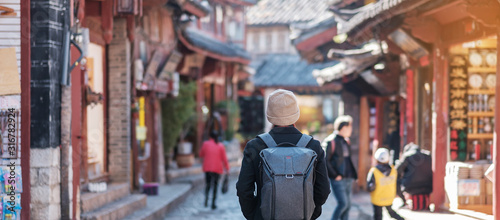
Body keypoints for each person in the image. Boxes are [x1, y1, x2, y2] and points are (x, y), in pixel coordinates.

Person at [236, 89, 330, 220]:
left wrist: (255, 215)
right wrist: (310, 213)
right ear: (296, 114)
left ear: (269, 115)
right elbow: (323, 189)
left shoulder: (255, 146)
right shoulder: (312, 146)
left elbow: (243, 189)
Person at [321, 115, 357, 220]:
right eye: (350, 127)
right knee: (343, 204)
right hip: (338, 178)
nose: (351, 130)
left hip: (348, 177)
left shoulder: (346, 141)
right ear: (344, 127)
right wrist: (335, 175)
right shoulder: (330, 141)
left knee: (348, 205)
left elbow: (348, 160)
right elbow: (324, 161)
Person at [367, 148, 405, 220]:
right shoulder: (393, 170)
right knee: (391, 213)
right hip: (389, 198)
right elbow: (397, 185)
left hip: (377, 199)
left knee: (378, 216)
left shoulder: (374, 171)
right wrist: (402, 198)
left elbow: (370, 187)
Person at [395, 143, 433, 210]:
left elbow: (397, 170)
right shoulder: (428, 155)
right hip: (428, 186)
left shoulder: (407, 156)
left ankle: (404, 202)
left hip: (410, 187)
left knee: (396, 181)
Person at [199, 131, 230, 210]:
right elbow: (224, 159)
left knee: (208, 185)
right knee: (215, 186)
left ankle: (206, 200)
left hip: (208, 168)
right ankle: (213, 203)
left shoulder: (206, 144)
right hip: (217, 169)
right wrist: (227, 169)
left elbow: (201, 154)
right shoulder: (220, 146)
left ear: (210, 136)